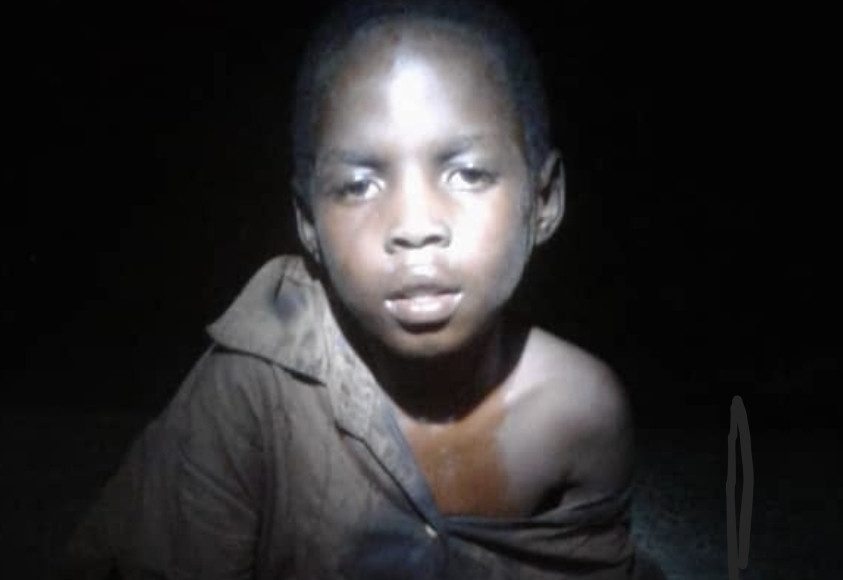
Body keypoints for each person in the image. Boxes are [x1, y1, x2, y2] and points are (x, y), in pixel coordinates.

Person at [63, 1, 664, 578]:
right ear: (308, 223)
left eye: (467, 174)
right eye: (358, 186)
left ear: (544, 200)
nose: (414, 226)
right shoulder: (254, 389)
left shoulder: (581, 413)